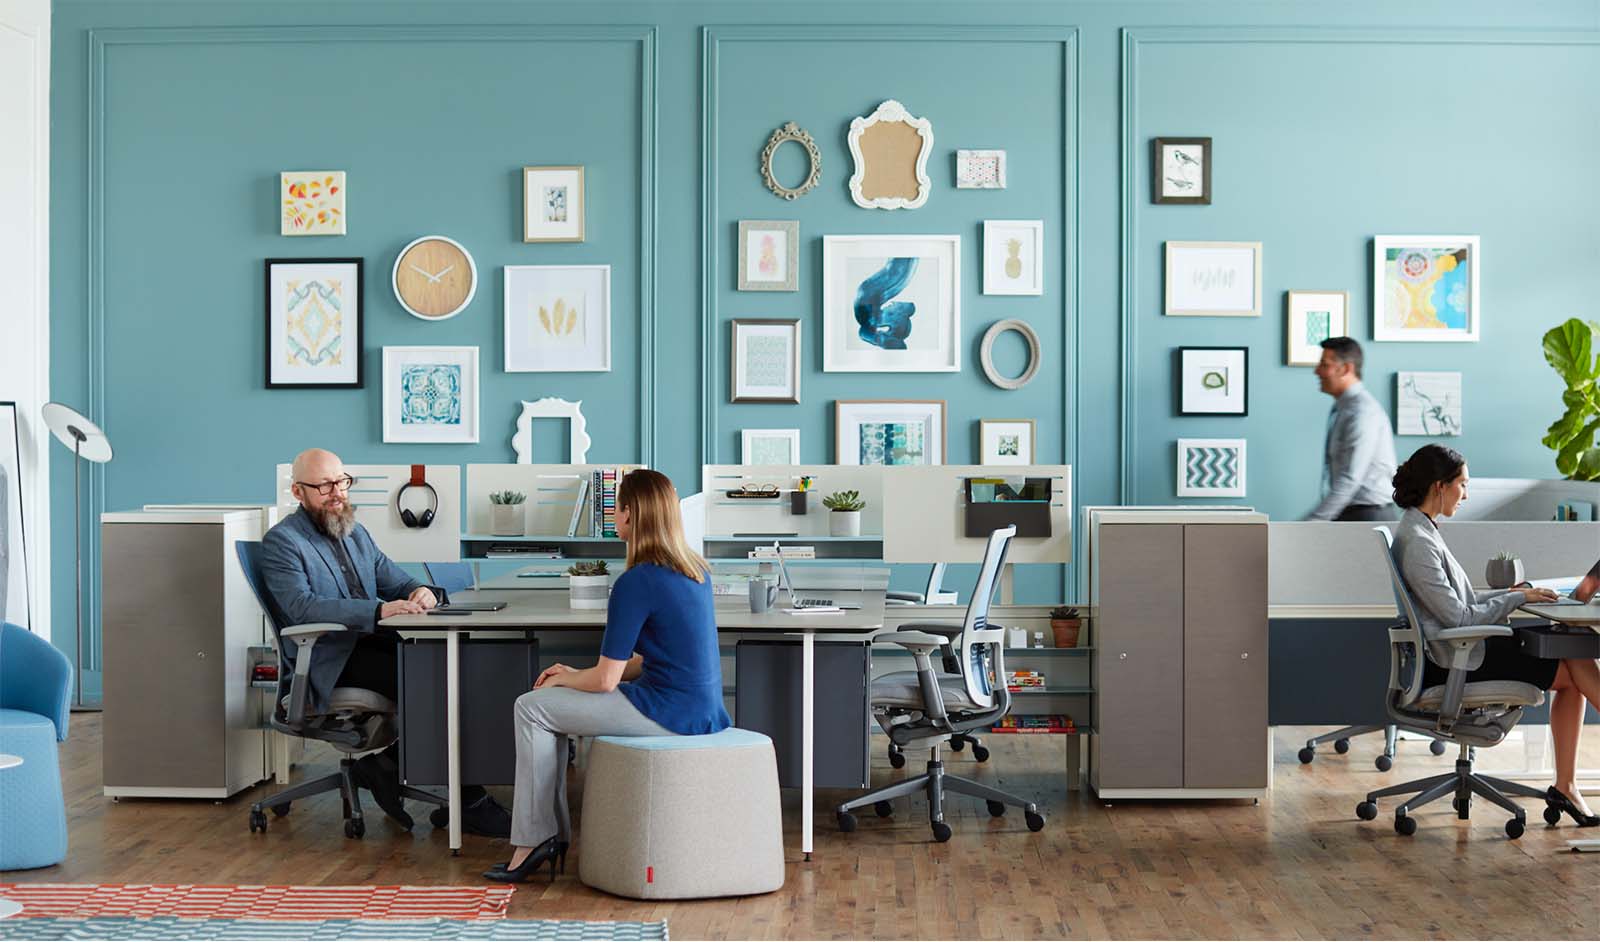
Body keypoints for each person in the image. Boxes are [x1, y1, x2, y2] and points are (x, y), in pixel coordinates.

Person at [484, 469, 730, 883]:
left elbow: (605, 682)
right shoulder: (695, 572)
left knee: (530, 708)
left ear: (631, 515)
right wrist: (577, 672)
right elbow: (647, 662)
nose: (615, 516)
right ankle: (546, 835)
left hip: (667, 713)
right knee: (545, 709)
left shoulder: (637, 582)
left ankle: (534, 841)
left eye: (616, 508)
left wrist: (565, 679)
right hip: (700, 709)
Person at [261, 448, 510, 836]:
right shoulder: (283, 542)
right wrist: (378, 612)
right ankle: (468, 802)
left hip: (370, 643)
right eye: (324, 485)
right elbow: (301, 608)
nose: (337, 493)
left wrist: (423, 591)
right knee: (432, 683)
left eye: (341, 482)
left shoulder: (355, 532)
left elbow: (396, 580)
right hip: (332, 656)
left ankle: (390, 769)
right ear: (297, 491)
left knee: (456, 669)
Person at [1391, 444, 1600, 826]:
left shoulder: (1421, 528)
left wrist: (1513, 595)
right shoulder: (1420, 542)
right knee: (1573, 657)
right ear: (1440, 486)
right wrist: (1517, 597)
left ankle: (1566, 786)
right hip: (1458, 660)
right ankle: (1566, 787)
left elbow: (1459, 601)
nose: (1466, 494)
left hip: (1462, 650)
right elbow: (1458, 616)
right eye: (1463, 486)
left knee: (1571, 649)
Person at [1307, 337, 1398, 521]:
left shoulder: (1361, 412)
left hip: (1367, 517)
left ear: (1346, 369)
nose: (1317, 371)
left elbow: (1351, 477)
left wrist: (1311, 523)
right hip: (1353, 514)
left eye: (1324, 365)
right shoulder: (1346, 408)